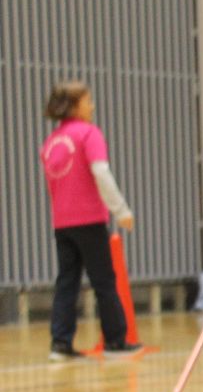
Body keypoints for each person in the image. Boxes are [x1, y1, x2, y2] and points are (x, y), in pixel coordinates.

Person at [38, 81, 143, 360]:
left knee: (67, 282)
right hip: (89, 220)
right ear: (75, 106)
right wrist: (121, 210)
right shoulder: (89, 134)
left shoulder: (50, 143)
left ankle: (60, 343)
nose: (92, 106)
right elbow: (101, 174)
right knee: (104, 281)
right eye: (88, 101)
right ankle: (115, 342)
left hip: (62, 223)